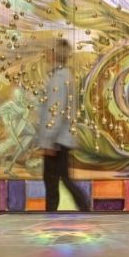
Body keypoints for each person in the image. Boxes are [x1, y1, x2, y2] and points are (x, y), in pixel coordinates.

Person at [38, 39, 90, 212]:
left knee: (54, 179)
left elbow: (56, 111)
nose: (45, 54)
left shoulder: (59, 79)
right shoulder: (64, 76)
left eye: (49, 51)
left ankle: (82, 207)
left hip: (57, 140)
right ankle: (77, 208)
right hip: (61, 138)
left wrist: (49, 141)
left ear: (54, 55)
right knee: (58, 179)